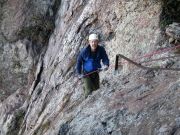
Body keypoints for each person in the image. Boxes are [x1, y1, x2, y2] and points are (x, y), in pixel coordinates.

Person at [76, 33, 109, 98]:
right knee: (88, 91)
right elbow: (79, 62)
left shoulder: (101, 50)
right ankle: (86, 104)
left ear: (97, 42)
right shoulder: (84, 51)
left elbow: (105, 58)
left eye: (95, 41)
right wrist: (79, 73)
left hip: (96, 72)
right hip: (86, 74)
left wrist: (106, 64)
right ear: (89, 42)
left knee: (96, 89)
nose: (93, 43)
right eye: (92, 42)